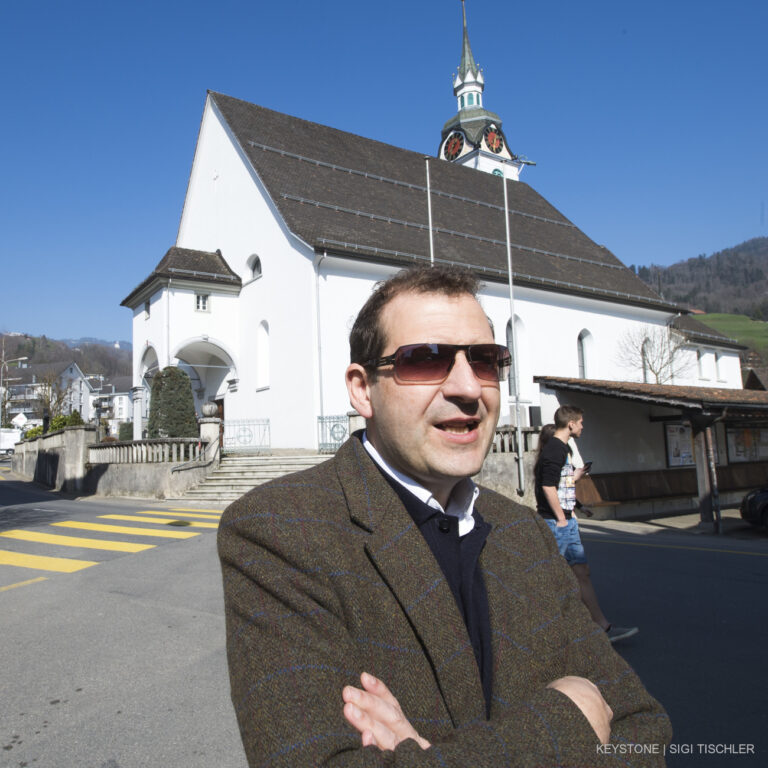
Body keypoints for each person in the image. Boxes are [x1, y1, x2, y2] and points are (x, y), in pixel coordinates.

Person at [218, 265, 671, 767]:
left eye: (485, 361)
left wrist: (427, 758)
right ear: (362, 390)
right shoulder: (278, 530)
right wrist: (565, 721)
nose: (468, 388)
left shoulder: (521, 531)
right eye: (425, 360)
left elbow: (644, 730)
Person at [535, 409, 638, 643]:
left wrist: (575, 494)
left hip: (566, 520)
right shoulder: (555, 449)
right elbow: (548, 486)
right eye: (581, 423)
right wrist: (561, 518)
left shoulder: (563, 449)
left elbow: (561, 484)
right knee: (554, 578)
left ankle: (602, 627)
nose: (583, 427)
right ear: (570, 424)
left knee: (581, 573)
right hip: (557, 522)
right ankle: (548, 633)